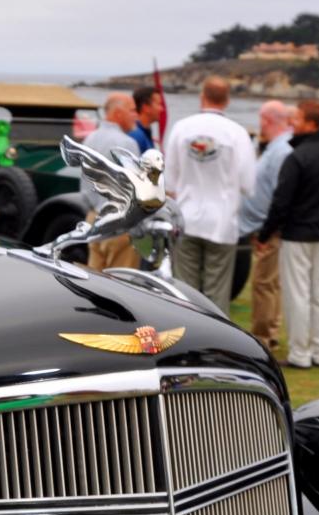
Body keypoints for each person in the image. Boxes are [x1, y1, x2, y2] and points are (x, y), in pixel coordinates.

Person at [258, 100, 319, 369]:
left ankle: (301, 353)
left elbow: (281, 201)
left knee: (297, 294)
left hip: (298, 234)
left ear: (311, 123)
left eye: (296, 119)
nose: (291, 124)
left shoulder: (297, 157)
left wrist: (265, 234)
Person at [162, 77, 256, 312]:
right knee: (217, 292)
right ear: (227, 100)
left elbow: (169, 181)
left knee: (184, 290)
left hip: (186, 217)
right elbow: (247, 183)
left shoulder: (182, 128)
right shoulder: (237, 133)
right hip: (222, 221)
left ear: (202, 96)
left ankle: (185, 336)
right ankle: (217, 343)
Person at [238, 101, 294, 352]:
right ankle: (269, 331)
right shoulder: (275, 148)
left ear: (267, 119)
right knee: (270, 283)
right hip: (262, 225)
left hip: (268, 229)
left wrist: (267, 230)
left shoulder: (281, 150)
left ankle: (263, 337)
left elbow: (281, 195)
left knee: (264, 283)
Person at [81, 93, 143, 270]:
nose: (136, 115)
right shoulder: (127, 142)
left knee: (94, 283)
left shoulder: (89, 139)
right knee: (121, 288)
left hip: (93, 219)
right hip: (119, 225)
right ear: (118, 113)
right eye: (132, 110)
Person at [129, 86, 161, 153]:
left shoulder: (144, 132)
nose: (161, 109)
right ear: (146, 107)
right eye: (159, 104)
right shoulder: (136, 136)